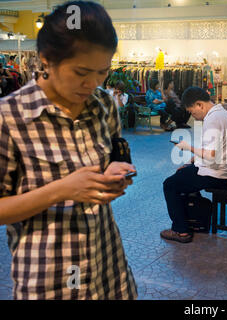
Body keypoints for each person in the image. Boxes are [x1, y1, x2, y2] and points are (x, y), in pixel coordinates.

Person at [0, 1, 137, 299]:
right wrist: (61, 190)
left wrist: (118, 170)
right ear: (46, 60)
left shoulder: (103, 106)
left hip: (108, 269)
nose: (93, 83)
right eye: (81, 72)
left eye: (103, 72)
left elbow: (118, 152)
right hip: (49, 279)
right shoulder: (9, 118)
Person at [161, 87, 227, 243]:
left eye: (193, 112)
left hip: (215, 174)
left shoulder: (212, 119)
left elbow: (211, 154)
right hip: (222, 169)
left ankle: (180, 231)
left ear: (200, 105)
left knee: (169, 185)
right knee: (180, 175)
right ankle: (193, 219)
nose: (194, 117)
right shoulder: (223, 113)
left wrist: (187, 147)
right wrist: (191, 162)